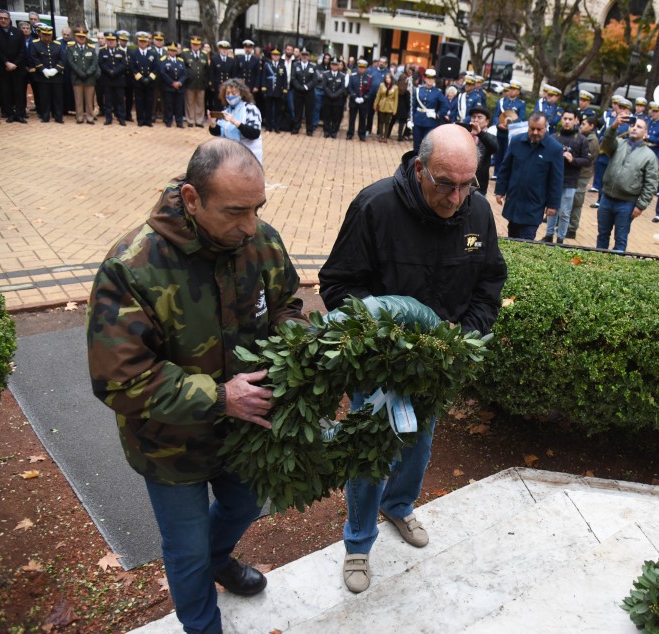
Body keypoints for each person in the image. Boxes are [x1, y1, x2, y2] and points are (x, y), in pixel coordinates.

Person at [87, 138, 306, 634]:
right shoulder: (131, 267)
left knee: (245, 504)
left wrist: (295, 345)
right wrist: (220, 396)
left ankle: (219, 558)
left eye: (258, 209)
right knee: (184, 550)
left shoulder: (260, 241)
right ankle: (203, 624)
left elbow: (287, 304)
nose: (250, 226)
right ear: (191, 198)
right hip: (171, 446)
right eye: (235, 212)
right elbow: (118, 379)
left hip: (245, 432)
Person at [318, 124, 507, 595]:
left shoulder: (477, 212)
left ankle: (399, 506)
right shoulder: (375, 206)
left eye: (468, 184)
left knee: (419, 446)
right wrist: (384, 341)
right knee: (370, 454)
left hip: (437, 366)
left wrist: (462, 339)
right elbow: (338, 285)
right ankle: (358, 543)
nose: (457, 197)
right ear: (419, 168)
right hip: (381, 366)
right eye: (446, 184)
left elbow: (489, 286)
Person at [494, 111, 564, 240]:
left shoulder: (554, 148)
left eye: (539, 129)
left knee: (526, 240)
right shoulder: (516, 141)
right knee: (513, 237)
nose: (535, 132)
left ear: (546, 128)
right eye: (532, 129)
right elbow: (505, 168)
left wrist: (553, 204)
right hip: (515, 199)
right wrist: (500, 190)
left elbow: (556, 179)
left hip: (535, 203)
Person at [594, 114, 659, 252]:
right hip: (606, 199)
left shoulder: (649, 156)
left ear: (645, 133)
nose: (634, 128)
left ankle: (616, 269)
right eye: (632, 125)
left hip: (627, 203)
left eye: (639, 127)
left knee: (621, 239)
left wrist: (641, 205)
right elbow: (605, 145)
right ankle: (598, 263)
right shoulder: (618, 144)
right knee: (602, 235)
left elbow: (651, 184)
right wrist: (614, 126)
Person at [542, 109, 591, 244]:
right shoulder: (553, 137)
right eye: (565, 119)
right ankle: (548, 235)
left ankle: (561, 238)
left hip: (570, 181)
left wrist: (572, 159)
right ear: (561, 120)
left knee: (564, 211)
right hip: (554, 181)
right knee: (552, 209)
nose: (567, 122)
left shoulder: (581, 140)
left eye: (570, 119)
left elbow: (587, 161)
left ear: (576, 120)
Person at [209, 78, 263, 164]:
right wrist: (212, 124)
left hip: (249, 156)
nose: (230, 96)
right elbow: (219, 132)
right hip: (230, 156)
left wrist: (235, 122)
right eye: (227, 93)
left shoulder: (250, 109)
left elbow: (254, 133)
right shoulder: (226, 110)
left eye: (233, 93)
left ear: (241, 94)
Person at [0, 9, 28, 122]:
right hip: (3, 66)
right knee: (5, 91)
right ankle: (8, 113)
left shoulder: (17, 32)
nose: (3, 20)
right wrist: (6, 62)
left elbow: (22, 50)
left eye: (5, 18)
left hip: (17, 67)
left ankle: (20, 113)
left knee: (19, 91)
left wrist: (15, 63)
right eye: (0, 18)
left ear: (9, 19)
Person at [568, 115, 599, 240]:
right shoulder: (583, 136)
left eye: (584, 124)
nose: (581, 126)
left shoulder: (592, 141)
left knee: (577, 201)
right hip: (576, 172)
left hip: (582, 174)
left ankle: (572, 228)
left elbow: (587, 159)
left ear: (591, 126)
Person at [455, 104, 498, 195]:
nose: (476, 119)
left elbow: (495, 147)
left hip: (478, 187)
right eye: (473, 117)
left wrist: (480, 133)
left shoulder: (489, 137)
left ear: (486, 122)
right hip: (459, 183)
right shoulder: (463, 133)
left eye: (479, 117)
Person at [28, 23, 65, 123]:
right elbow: (34, 58)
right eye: (45, 34)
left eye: (49, 35)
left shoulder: (58, 45)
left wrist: (56, 69)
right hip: (42, 75)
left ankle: (58, 116)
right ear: (41, 34)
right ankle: (45, 116)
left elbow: (62, 59)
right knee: (44, 97)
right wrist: (43, 69)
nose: (47, 37)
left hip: (56, 76)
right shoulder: (35, 44)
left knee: (58, 97)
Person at [492, 81, 525, 177]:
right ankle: (496, 173)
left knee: (507, 153)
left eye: (514, 89)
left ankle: (504, 174)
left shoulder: (520, 104)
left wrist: (511, 124)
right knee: (498, 152)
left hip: (510, 132)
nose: (511, 91)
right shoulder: (502, 102)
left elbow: (521, 119)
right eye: (510, 88)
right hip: (500, 131)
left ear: (518, 92)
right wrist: (498, 124)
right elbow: (496, 116)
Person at [66, 26, 98, 125]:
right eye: (79, 36)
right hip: (77, 77)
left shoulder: (91, 48)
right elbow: (71, 62)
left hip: (89, 78)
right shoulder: (71, 48)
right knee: (78, 99)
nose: (81, 38)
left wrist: (88, 73)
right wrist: (80, 73)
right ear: (76, 37)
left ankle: (90, 117)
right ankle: (79, 117)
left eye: (83, 36)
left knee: (89, 100)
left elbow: (94, 63)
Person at [410, 67, 447, 152]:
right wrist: (410, 118)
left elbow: (445, 106)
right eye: (428, 78)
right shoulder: (419, 90)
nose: (430, 80)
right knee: (416, 145)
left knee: (427, 145)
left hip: (430, 122)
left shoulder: (438, 92)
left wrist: (437, 114)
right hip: (418, 120)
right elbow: (413, 105)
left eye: (432, 78)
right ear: (425, 78)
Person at [129, 32, 159, 127]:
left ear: (147, 42)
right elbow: (132, 68)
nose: (142, 43)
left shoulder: (153, 54)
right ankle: (140, 120)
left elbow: (156, 68)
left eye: (144, 41)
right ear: (138, 42)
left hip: (150, 82)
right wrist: (141, 79)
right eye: (141, 41)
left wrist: (149, 78)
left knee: (149, 101)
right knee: (139, 101)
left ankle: (148, 120)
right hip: (139, 82)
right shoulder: (134, 53)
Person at [98, 31, 127, 126]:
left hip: (118, 79)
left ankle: (121, 118)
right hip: (107, 79)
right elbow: (101, 63)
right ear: (106, 40)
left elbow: (123, 64)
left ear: (116, 41)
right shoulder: (102, 51)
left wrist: (115, 71)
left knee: (120, 100)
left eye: (113, 40)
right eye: (109, 40)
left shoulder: (121, 52)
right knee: (108, 100)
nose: (111, 42)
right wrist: (109, 71)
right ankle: (108, 118)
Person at [181, 35, 209, 128]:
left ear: (200, 45)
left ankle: (199, 120)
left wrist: (206, 81)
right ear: (191, 44)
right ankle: (190, 120)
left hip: (201, 82)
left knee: (200, 102)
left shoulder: (204, 54)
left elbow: (206, 69)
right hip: (190, 82)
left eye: (197, 44)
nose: (195, 46)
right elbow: (183, 68)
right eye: (193, 44)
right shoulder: (185, 54)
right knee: (189, 102)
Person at [159, 42, 187, 128]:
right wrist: (172, 83)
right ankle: (168, 121)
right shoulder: (164, 60)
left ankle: (179, 122)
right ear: (168, 51)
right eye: (171, 50)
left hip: (179, 87)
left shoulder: (181, 61)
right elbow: (163, 73)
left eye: (174, 51)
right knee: (169, 105)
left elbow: (185, 74)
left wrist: (180, 82)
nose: (173, 52)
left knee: (179, 106)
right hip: (169, 87)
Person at [289, 48, 317, 135]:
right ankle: (296, 128)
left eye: (306, 55)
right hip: (298, 92)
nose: (304, 57)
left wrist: (306, 87)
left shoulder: (313, 66)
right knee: (298, 111)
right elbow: (293, 78)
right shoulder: (295, 65)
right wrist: (299, 87)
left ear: (308, 57)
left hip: (309, 92)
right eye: (303, 55)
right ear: (300, 56)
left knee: (309, 111)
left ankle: (309, 130)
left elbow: (314, 80)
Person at [259, 47, 287, 132]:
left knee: (278, 110)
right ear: (271, 56)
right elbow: (263, 77)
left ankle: (277, 127)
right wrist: (263, 88)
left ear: (279, 56)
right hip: (269, 90)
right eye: (274, 55)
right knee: (268, 109)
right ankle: (268, 126)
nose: (275, 57)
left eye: (277, 55)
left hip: (278, 90)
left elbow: (284, 78)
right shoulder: (267, 65)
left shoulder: (282, 66)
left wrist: (285, 89)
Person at [346, 58, 373, 141]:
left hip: (363, 102)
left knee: (362, 118)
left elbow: (370, 90)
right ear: (357, 67)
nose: (361, 69)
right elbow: (349, 87)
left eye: (363, 67)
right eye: (360, 67)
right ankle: (350, 133)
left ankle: (362, 134)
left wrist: (364, 98)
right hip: (354, 101)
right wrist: (354, 97)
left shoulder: (369, 78)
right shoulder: (353, 76)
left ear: (366, 68)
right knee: (352, 118)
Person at [321, 57, 346, 139]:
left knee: (336, 116)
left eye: (336, 65)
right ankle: (326, 131)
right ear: (330, 65)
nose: (334, 66)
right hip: (327, 98)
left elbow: (342, 88)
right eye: (333, 64)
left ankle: (334, 132)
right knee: (326, 116)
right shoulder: (326, 74)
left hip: (337, 99)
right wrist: (330, 94)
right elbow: (324, 86)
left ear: (338, 65)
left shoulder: (342, 75)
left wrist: (335, 95)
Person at [373, 71, 398, 143]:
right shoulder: (382, 85)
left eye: (389, 78)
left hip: (390, 106)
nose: (387, 79)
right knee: (381, 121)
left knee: (387, 122)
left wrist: (394, 109)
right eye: (386, 78)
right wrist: (375, 104)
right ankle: (380, 135)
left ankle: (385, 136)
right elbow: (378, 95)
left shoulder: (395, 87)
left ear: (391, 79)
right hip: (382, 105)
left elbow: (396, 99)